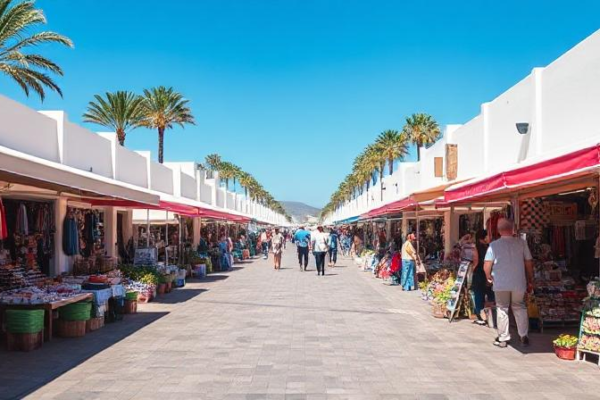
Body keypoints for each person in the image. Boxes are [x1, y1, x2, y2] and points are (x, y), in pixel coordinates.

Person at [484, 218, 534, 348]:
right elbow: (528, 262)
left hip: (500, 282)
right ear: (513, 229)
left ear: (499, 230)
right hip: (518, 281)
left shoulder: (494, 245)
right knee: (519, 306)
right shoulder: (521, 243)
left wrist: (488, 276)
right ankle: (523, 336)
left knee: (502, 308)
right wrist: (530, 278)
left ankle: (503, 338)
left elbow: (487, 264)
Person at [472, 229, 495, 326]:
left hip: (479, 272)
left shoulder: (476, 246)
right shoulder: (488, 247)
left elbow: (475, 260)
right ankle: (491, 315)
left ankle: (480, 316)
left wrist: (473, 268)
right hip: (488, 272)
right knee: (489, 292)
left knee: (478, 293)